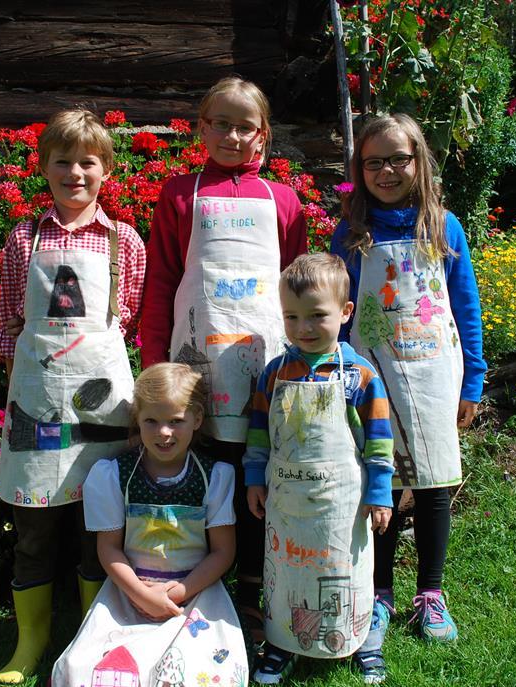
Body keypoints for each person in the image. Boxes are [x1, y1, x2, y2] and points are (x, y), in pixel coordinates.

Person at [141, 76, 308, 640]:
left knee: (257, 478)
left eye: (245, 127)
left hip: (266, 364)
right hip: (196, 364)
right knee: (206, 475)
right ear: (202, 128)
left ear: (263, 135)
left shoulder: (284, 201)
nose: (233, 136)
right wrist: (154, 361)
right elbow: (162, 281)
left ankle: (254, 591)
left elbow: (297, 286)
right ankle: (195, 582)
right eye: (222, 124)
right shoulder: (178, 194)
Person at [0, 109, 147, 685]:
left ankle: (91, 637)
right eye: (63, 161)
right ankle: (29, 642)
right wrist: (20, 373)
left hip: (100, 401)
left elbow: (126, 321)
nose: (75, 173)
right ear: (44, 168)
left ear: (106, 170)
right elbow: (10, 318)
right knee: (32, 532)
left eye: (87, 162)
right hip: (35, 397)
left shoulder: (123, 241)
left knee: (97, 527)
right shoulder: (23, 237)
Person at [330, 113, 487, 645]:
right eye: (373, 162)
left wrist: (473, 380)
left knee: (435, 482)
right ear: (360, 169)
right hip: (371, 375)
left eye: (398, 159)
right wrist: (337, 370)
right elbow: (338, 311)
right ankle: (379, 592)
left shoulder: (443, 227)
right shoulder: (352, 234)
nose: (387, 171)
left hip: (436, 373)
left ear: (419, 161)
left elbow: (465, 306)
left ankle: (431, 594)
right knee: (382, 480)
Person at [243, 253, 395, 684]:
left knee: (347, 571)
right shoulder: (275, 374)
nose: (303, 328)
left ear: (345, 312)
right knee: (287, 573)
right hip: (286, 501)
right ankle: (281, 643)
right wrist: (254, 478)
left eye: (317, 316)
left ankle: (364, 639)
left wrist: (380, 492)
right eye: (292, 317)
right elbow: (259, 434)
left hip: (342, 504)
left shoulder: (360, 376)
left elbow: (379, 441)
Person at [51, 363, 248, 687]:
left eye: (176, 421)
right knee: (89, 670)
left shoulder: (213, 477)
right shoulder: (116, 475)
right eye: (151, 421)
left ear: (197, 419)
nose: (163, 432)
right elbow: (109, 549)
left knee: (200, 672)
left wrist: (181, 591)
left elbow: (223, 552)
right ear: (137, 419)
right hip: (129, 592)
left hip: (196, 591)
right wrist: (141, 595)